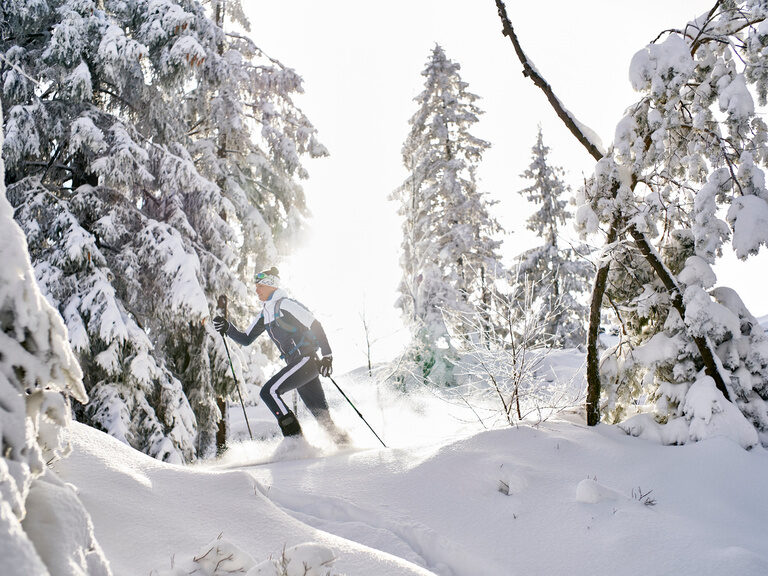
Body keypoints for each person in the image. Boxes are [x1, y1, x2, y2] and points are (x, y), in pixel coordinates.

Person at [213, 267, 349, 444]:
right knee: (321, 415)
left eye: (260, 286)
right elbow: (246, 339)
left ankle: (295, 441)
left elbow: (315, 324)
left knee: (269, 392)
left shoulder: (286, 304)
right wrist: (227, 327)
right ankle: (344, 444)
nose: (257, 290)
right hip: (299, 365)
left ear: (271, 286)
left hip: (306, 360)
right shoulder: (265, 314)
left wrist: (327, 356)